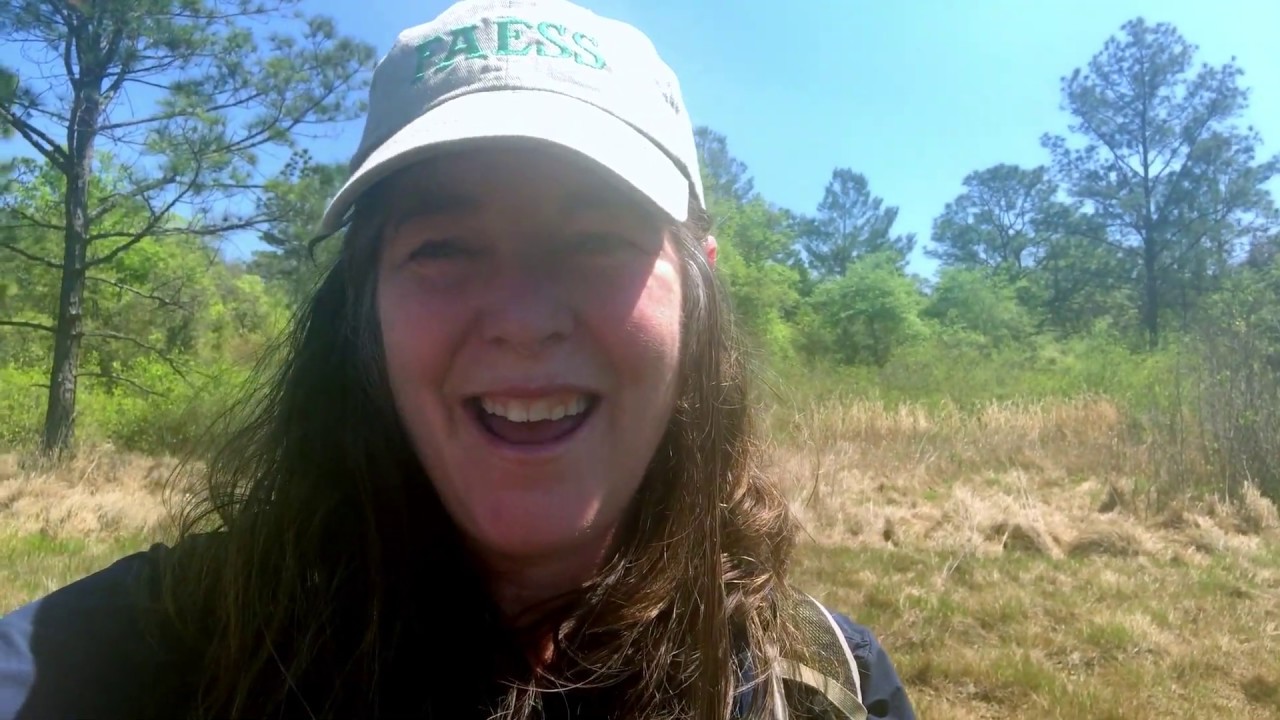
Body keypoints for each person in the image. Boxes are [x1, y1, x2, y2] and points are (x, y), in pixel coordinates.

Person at [0, 0, 916, 718]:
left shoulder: (826, 688)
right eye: (441, 248)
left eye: (596, 238)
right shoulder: (174, 643)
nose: (522, 321)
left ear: (699, 286)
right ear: (364, 304)